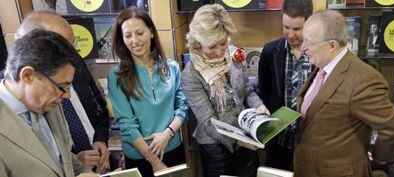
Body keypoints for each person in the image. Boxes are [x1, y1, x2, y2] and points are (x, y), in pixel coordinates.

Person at [294, 10, 394, 177]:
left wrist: (378, 160)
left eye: (309, 42)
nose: (303, 48)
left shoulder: (363, 79)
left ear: (332, 45)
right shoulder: (322, 67)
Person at [1, 11, 110, 170]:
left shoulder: (48, 102)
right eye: (63, 87)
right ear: (28, 75)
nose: (67, 95)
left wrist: (82, 170)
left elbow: (61, 160)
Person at [181, 4, 269, 177]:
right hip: (215, 148)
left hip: (245, 136)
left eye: (223, 43)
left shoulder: (234, 54)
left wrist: (260, 108)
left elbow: (247, 91)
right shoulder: (190, 75)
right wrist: (237, 141)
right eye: (211, 46)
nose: (220, 51)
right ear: (197, 43)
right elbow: (208, 121)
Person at [107, 7, 188, 177]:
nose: (134, 40)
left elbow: (183, 106)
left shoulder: (171, 67)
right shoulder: (116, 76)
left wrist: (168, 133)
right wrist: (154, 161)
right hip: (139, 157)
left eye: (139, 33)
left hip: (173, 149)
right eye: (128, 36)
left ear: (150, 32)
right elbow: (127, 125)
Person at [258, 0, 313, 171]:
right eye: (286, 27)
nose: (290, 34)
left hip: (310, 141)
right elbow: (265, 92)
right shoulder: (269, 52)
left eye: (297, 29)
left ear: (309, 23)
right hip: (278, 140)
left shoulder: (320, 53)